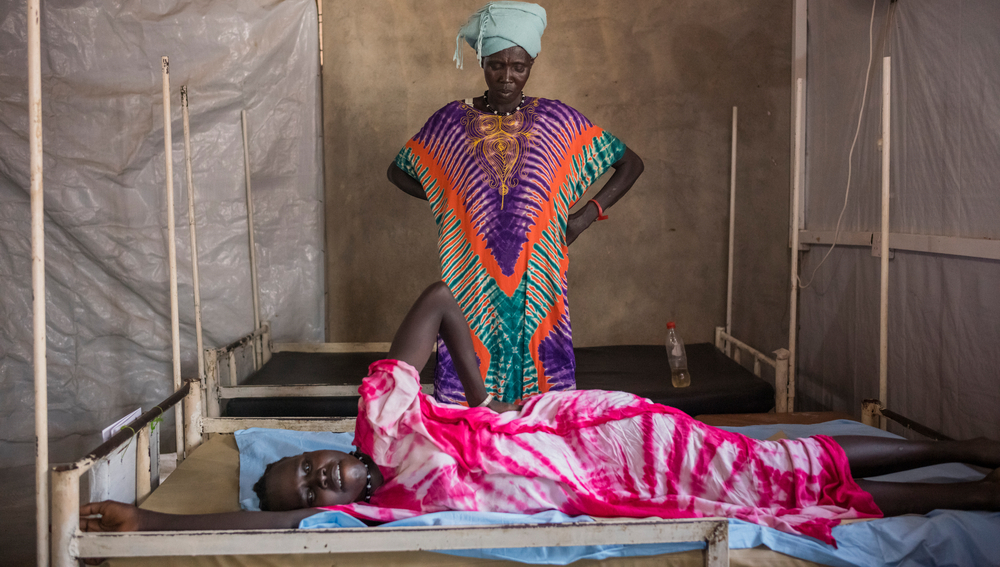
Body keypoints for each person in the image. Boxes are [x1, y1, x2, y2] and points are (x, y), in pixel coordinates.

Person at [82, 283, 1000, 546]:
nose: (322, 473)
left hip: (607, 435)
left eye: (313, 463)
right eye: (311, 484)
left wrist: (489, 406)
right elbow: (255, 521)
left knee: (787, 471)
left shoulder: (390, 418)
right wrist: (148, 518)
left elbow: (441, 299)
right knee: (792, 488)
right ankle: (979, 486)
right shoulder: (371, 511)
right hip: (606, 485)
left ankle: (958, 448)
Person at [388, 0, 644, 407]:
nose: (507, 76)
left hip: (538, 274)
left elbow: (630, 163)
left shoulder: (557, 119)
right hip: (471, 274)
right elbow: (399, 170)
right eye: (496, 65)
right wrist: (450, 200)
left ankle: (534, 457)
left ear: (532, 65)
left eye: (518, 67)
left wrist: (582, 218)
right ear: (482, 62)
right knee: (469, 372)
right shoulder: (451, 121)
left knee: (542, 400)